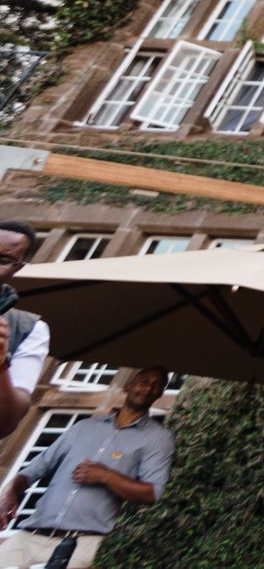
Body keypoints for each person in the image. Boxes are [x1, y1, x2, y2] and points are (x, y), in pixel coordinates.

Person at [0, 366, 174, 569]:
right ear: (128, 386)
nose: (148, 388)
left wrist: (106, 476)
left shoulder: (158, 438)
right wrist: (11, 492)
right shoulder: (84, 427)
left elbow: (152, 492)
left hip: (82, 544)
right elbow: (35, 468)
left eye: (156, 385)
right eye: (144, 381)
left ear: (160, 394)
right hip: (30, 534)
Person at [0, 220, 51, 437]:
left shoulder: (29, 329)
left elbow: (7, 423)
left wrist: (1, 364)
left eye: (3, 260)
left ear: (17, 268)